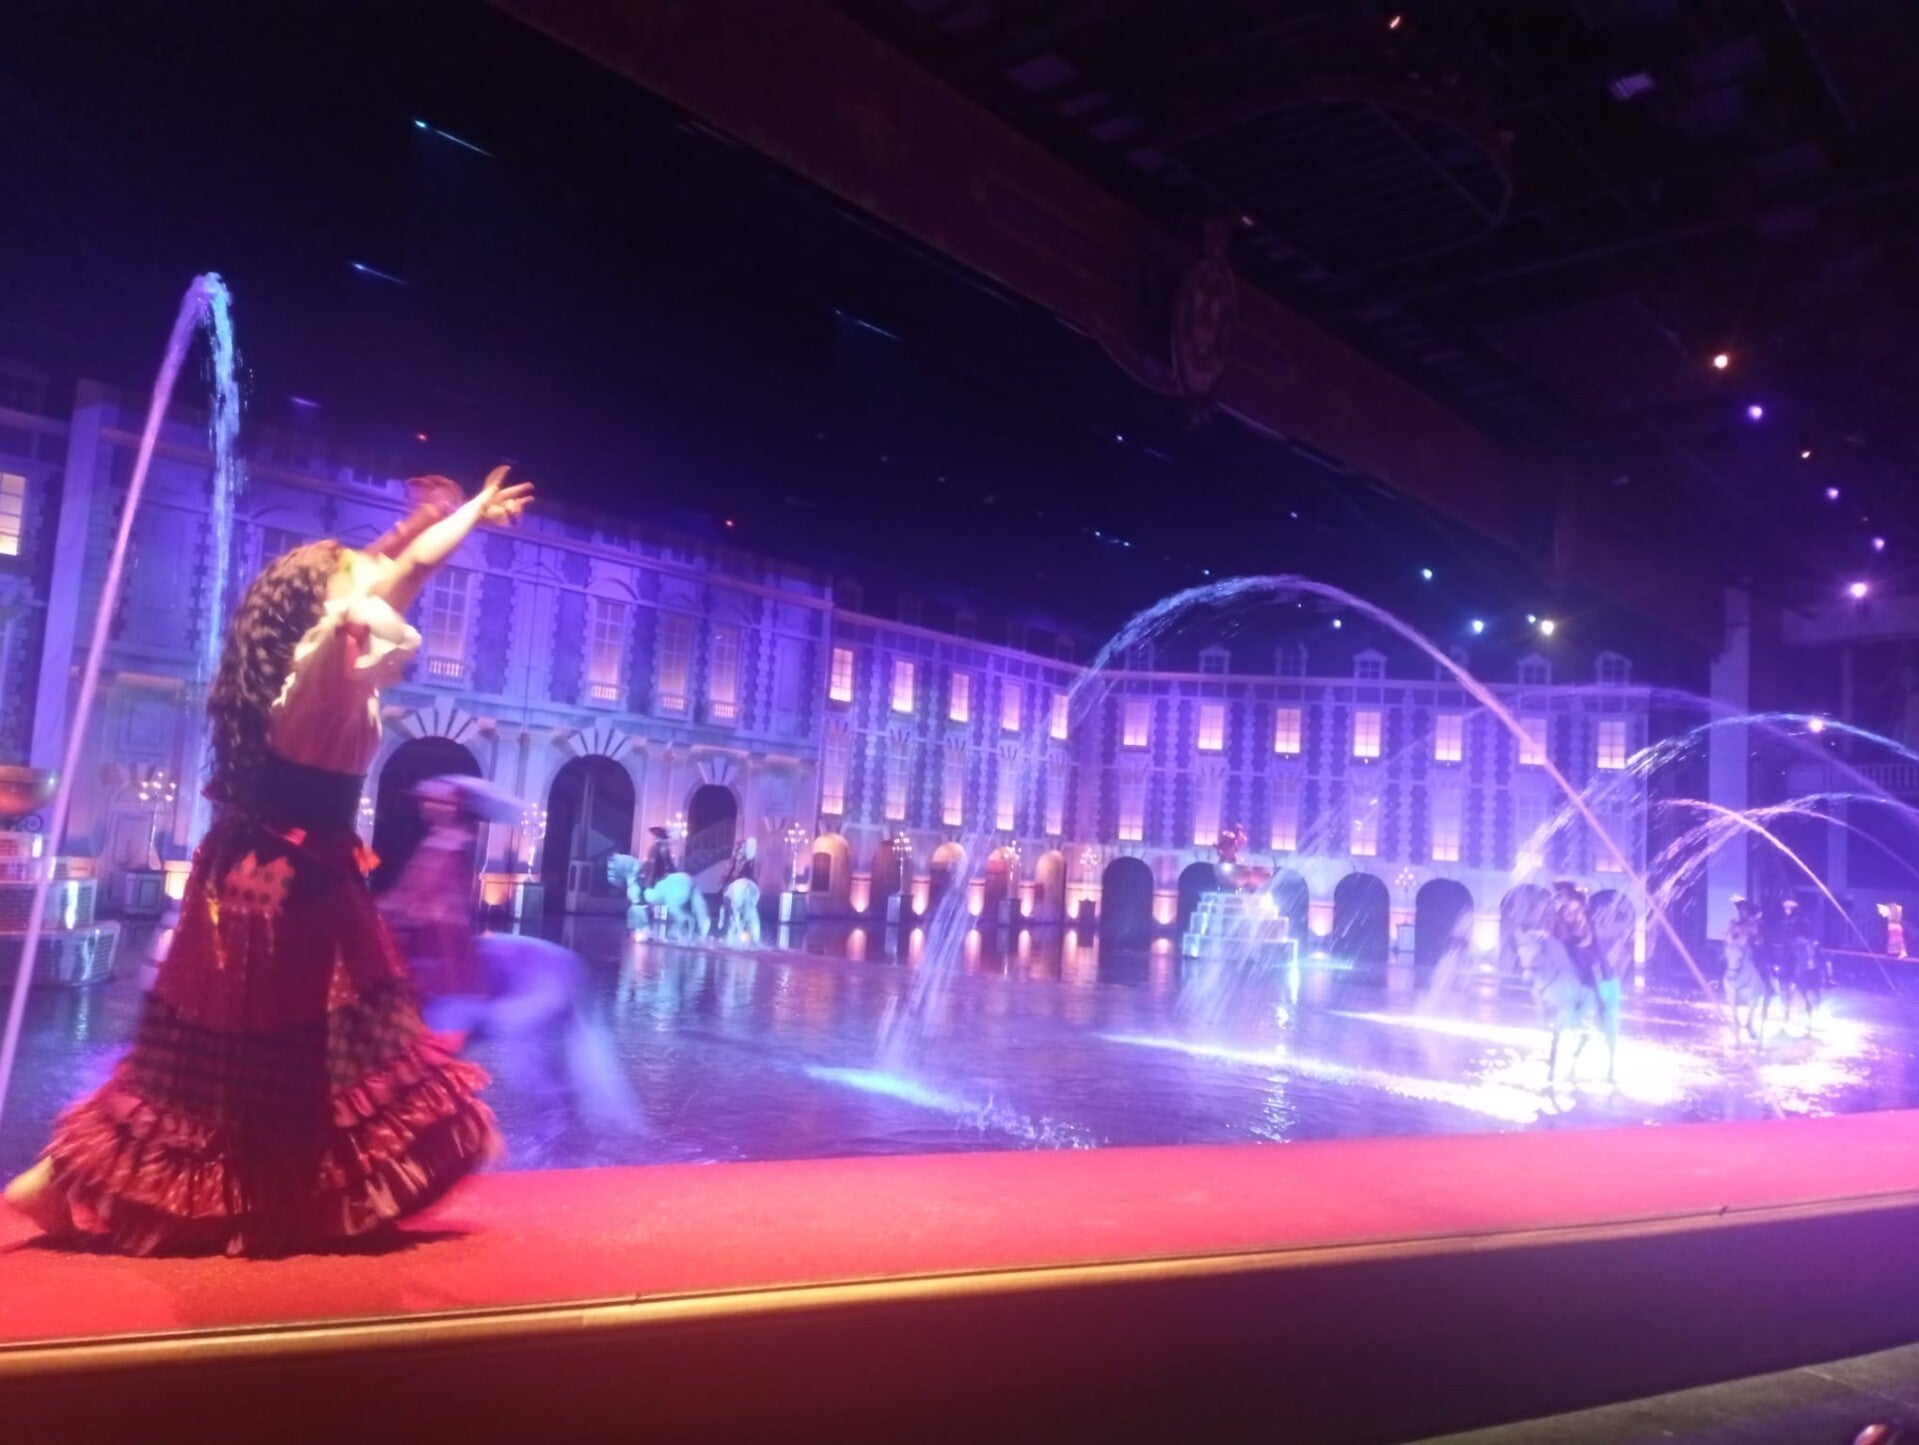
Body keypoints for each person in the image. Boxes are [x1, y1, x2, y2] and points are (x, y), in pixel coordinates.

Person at [4, 468, 531, 1255]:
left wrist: (417, 518)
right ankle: (221, 1186)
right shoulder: (329, 660)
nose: (373, 568)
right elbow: (410, 570)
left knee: (218, 1050)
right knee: (298, 1047)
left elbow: (386, 561)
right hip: (288, 882)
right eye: (355, 571)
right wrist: (474, 515)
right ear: (329, 605)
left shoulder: (307, 667)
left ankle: (64, 1178)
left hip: (266, 870)